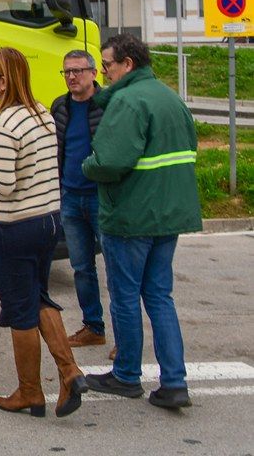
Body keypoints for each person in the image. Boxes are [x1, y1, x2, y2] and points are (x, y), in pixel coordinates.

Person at [82, 33, 202, 410]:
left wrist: (87, 165)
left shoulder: (129, 101)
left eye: (108, 66)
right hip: (169, 216)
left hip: (131, 217)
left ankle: (127, 375)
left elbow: (109, 162)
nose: (105, 74)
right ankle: (174, 381)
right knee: (160, 298)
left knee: (124, 298)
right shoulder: (170, 98)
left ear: (127, 64)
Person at [0, 46, 87, 418]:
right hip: (47, 221)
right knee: (38, 297)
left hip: (16, 225)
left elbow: (3, 184)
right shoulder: (42, 115)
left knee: (20, 310)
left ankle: (29, 392)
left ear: (4, 82)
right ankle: (69, 371)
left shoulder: (3, 125)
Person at [50, 50, 113, 358]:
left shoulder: (109, 105)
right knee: (81, 268)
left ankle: (125, 338)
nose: (72, 77)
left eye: (77, 71)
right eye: (66, 72)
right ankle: (93, 328)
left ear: (93, 73)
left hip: (102, 197)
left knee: (116, 269)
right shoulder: (60, 107)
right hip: (70, 197)